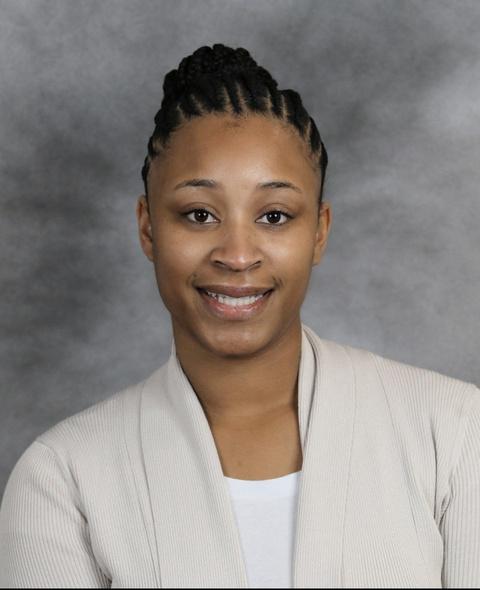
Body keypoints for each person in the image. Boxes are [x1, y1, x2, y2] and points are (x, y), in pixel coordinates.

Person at [0, 43, 478, 589]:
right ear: (148, 228)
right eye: (198, 214)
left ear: (318, 232)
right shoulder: (63, 479)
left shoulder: (454, 434)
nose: (237, 254)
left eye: (274, 216)